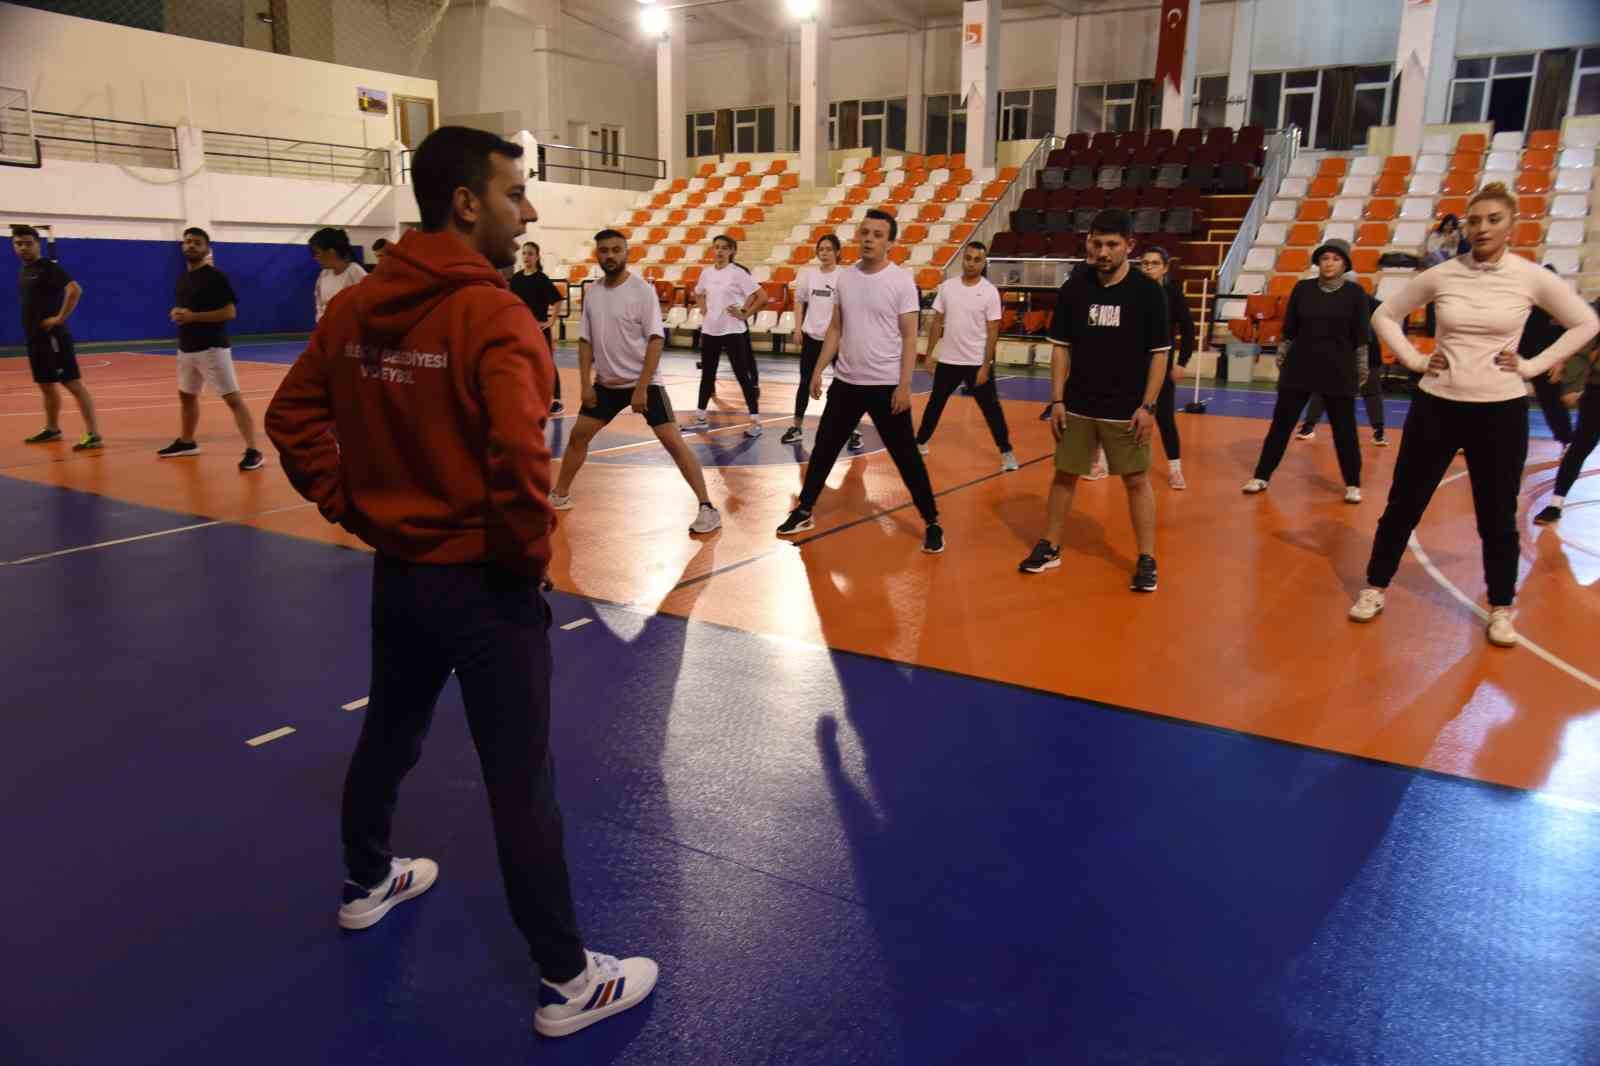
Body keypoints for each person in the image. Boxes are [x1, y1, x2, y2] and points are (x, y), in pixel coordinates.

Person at [264, 126, 657, 1039]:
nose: (529, 212)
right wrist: (520, 569)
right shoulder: (495, 318)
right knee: (519, 779)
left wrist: (357, 508)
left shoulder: (357, 307)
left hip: (402, 575)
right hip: (484, 587)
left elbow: (292, 420)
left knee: (391, 733)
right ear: (467, 202)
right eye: (516, 193)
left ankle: (366, 880)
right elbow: (520, 469)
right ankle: (566, 980)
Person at [1351, 183, 1597, 646]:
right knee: (1403, 504)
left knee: (1497, 516)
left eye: (1493, 220)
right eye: (1475, 220)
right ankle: (1374, 587)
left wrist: (1531, 367)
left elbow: (1587, 322)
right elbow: (1385, 314)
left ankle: (1501, 607)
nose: (1482, 228)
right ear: (1465, 224)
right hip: (1436, 405)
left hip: (1500, 410)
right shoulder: (1443, 274)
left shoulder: (1529, 276)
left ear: (1511, 225)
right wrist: (1415, 359)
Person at [775, 208, 944, 553]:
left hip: (885, 386)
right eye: (864, 232)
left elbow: (910, 337)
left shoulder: (900, 282)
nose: (868, 238)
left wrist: (904, 385)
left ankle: (932, 521)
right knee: (823, 449)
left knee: (906, 457)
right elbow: (836, 328)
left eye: (877, 234)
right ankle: (805, 509)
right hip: (847, 383)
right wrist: (819, 368)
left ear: (891, 243)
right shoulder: (846, 278)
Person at [1018, 209, 1169, 591]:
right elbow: (1060, 349)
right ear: (1088, 242)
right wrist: (1056, 400)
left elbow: (1160, 354)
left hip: (1126, 408)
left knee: (1136, 480)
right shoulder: (1075, 287)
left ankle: (1146, 558)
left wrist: (1148, 406)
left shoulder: (1148, 292)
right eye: (1097, 243)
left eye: (1112, 244)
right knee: (1064, 475)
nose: (1103, 251)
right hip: (1079, 404)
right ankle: (1050, 546)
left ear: (1128, 246)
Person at [550, 228, 721, 534]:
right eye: (604, 250)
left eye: (616, 249)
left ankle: (707, 507)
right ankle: (559, 495)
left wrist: (642, 387)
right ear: (597, 254)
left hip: (644, 383)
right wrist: (586, 384)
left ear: (626, 252)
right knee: (579, 436)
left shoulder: (641, 291)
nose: (610, 255)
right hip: (607, 384)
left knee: (672, 442)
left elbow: (656, 340)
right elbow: (585, 342)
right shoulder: (594, 293)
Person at [1241, 238, 1368, 502]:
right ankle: (1261, 475)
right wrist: (1282, 355)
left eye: (1335, 258)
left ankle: (1353, 483)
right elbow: (1290, 329)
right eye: (1325, 258)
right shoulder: (1303, 289)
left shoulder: (1356, 294)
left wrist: (1361, 366)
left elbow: (1361, 336)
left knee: (1345, 430)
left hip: (1339, 369)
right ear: (1318, 262)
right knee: (1281, 425)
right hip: (1300, 366)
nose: (1329, 263)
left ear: (1344, 263)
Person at [160, 227, 263, 471]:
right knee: (186, 395)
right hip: (187, 348)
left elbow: (230, 312)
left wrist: (193, 317)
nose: (190, 246)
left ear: (206, 247)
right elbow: (187, 311)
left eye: (196, 242)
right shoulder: (183, 278)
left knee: (232, 398)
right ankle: (187, 442)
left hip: (212, 349)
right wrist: (177, 314)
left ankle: (253, 450)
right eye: (187, 242)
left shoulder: (216, 277)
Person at [915, 241, 1018, 472]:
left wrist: (986, 365)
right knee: (935, 404)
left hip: (976, 363)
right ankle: (920, 442)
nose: (971, 263)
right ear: (963, 259)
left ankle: (1007, 452)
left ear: (984, 263)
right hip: (949, 361)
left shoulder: (990, 292)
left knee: (991, 410)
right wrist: (930, 354)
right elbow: (936, 322)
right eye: (968, 258)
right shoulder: (948, 287)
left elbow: (993, 332)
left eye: (977, 260)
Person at [12, 224, 101, 450]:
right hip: (35, 338)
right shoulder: (25, 270)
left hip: (53, 338)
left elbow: (75, 289)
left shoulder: (47, 268)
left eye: (28, 243)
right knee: (46, 385)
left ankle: (93, 434)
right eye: (18, 243)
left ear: (37, 244)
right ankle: (52, 429)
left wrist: (60, 318)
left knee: (72, 383)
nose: (23, 248)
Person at [783, 234, 860, 451]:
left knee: (846, 385)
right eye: (821, 249)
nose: (824, 253)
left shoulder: (845, 276)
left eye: (828, 249)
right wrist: (798, 329)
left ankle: (854, 431)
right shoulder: (808, 275)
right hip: (812, 337)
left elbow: (851, 308)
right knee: (804, 381)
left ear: (837, 252)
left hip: (837, 340)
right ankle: (796, 427)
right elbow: (799, 303)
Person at [690, 235, 765, 438]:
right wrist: (704, 308)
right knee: (707, 375)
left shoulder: (738, 273)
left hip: (733, 331)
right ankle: (700, 417)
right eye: (717, 247)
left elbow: (762, 296)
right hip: (710, 330)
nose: (720, 251)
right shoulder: (706, 273)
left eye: (724, 248)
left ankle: (756, 421)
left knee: (742, 375)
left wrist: (745, 314)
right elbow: (697, 293)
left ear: (732, 251)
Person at [1534, 298, 1600, 525]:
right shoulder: (1597, 310)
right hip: (1596, 389)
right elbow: (1583, 345)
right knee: (1581, 445)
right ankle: (1555, 504)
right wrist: (1576, 383)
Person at [1136, 246, 1197, 488]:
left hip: (1162, 366)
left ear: (1164, 268)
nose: (1148, 267)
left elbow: (1189, 329)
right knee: (1120, 413)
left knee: (1164, 418)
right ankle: (1107, 462)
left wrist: (1182, 362)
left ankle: (1175, 469)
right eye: (1145, 263)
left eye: (1154, 263)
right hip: (1134, 365)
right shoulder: (1134, 292)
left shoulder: (1172, 293)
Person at [1296, 285, 1387, 446]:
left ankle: (1308, 427)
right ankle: (1378, 432)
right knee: (1324, 389)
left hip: (1360, 351)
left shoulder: (1345, 299)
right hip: (1343, 352)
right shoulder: (1363, 299)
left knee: (1369, 391)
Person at [1515, 265, 1577, 447]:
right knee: (1501, 400)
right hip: (1516, 358)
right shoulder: (1523, 301)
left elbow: (1572, 334)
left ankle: (1566, 440)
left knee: (1552, 403)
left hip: (1547, 360)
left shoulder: (1561, 305)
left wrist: (1560, 361)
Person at [510, 241, 566, 414]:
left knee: (547, 363)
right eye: (524, 253)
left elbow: (557, 300)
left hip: (539, 329)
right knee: (522, 362)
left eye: (530, 254)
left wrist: (551, 321)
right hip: (521, 329)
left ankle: (556, 400)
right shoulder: (516, 279)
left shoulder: (541, 279)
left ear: (536, 257)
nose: (526, 257)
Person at [309, 227, 368, 323]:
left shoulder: (355, 272)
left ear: (331, 252)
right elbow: (319, 304)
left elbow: (367, 304)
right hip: (327, 330)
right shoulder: (324, 274)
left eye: (317, 253)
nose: (315, 258)